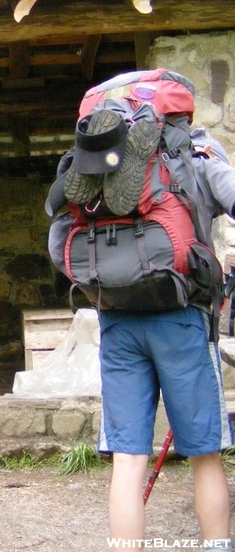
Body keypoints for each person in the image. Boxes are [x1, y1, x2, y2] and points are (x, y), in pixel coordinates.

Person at [60, 113, 235, 551]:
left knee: (128, 458)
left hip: (117, 316)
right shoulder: (195, 152)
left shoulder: (101, 166)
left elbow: (60, 232)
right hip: (181, 318)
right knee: (204, 455)